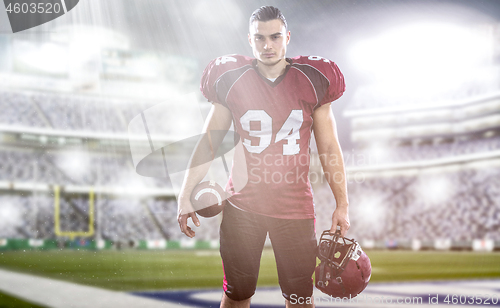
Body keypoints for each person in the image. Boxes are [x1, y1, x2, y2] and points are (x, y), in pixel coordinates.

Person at [177, 6, 349, 308]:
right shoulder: (230, 77)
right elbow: (209, 142)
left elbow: (329, 148)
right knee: (237, 294)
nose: (267, 45)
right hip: (242, 207)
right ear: (249, 40)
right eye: (259, 38)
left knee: (299, 298)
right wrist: (184, 195)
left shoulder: (313, 78)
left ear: (287, 37)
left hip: (295, 208)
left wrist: (342, 204)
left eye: (274, 37)